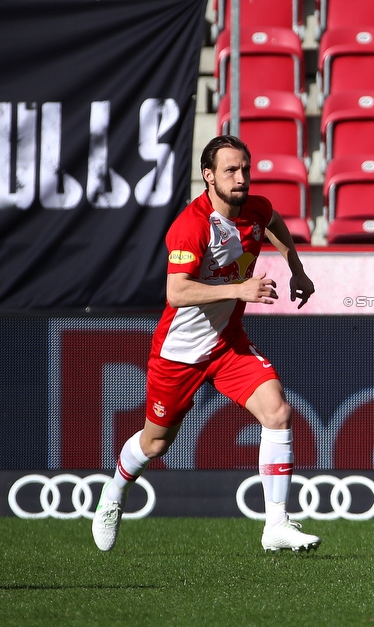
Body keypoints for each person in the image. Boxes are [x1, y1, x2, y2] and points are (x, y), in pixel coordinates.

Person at [92, 135, 320, 553]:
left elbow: (274, 223)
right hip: (179, 353)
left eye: (246, 168)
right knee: (156, 443)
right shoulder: (191, 225)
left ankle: (276, 525)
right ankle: (113, 493)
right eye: (231, 170)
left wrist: (297, 269)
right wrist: (239, 290)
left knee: (278, 411)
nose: (241, 178)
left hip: (226, 344)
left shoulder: (256, 207)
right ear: (208, 175)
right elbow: (177, 292)